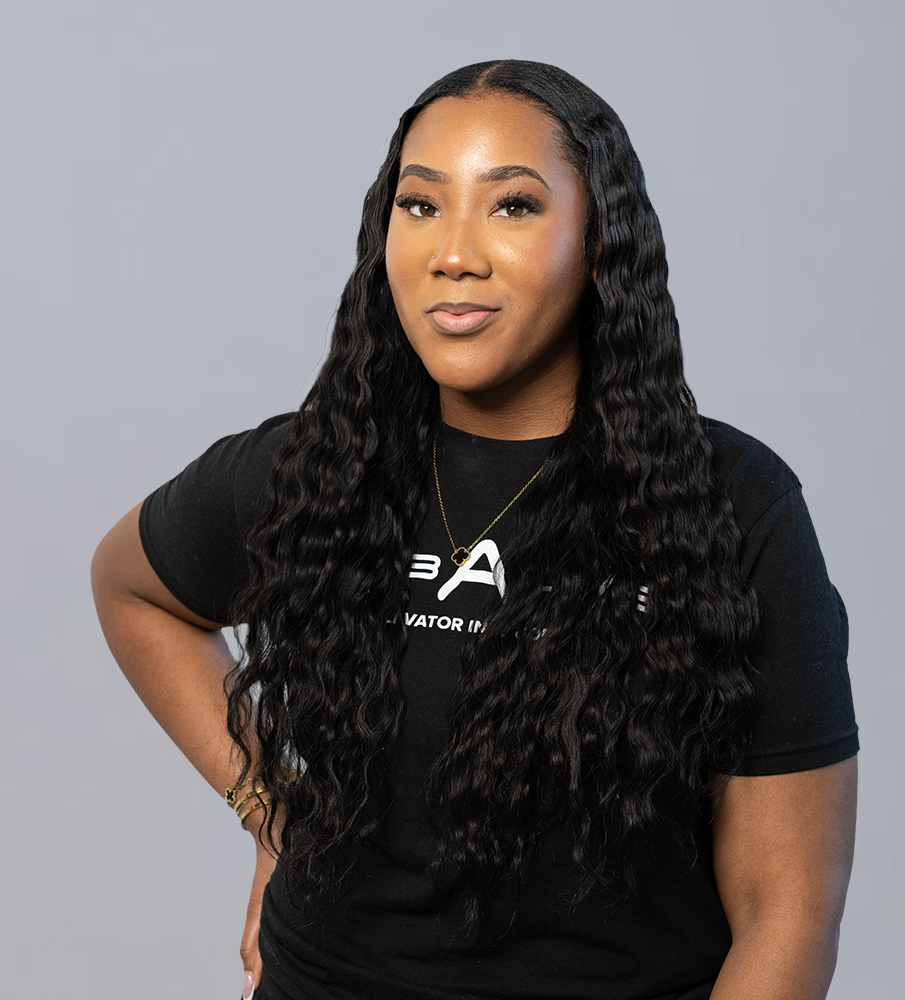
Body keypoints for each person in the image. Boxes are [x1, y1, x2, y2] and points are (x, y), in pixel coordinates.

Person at [91, 60, 859, 1000]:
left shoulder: (730, 504)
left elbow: (789, 910)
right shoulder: (315, 469)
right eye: (420, 205)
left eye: (514, 206)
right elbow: (131, 589)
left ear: (600, 242)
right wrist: (271, 813)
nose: (454, 253)